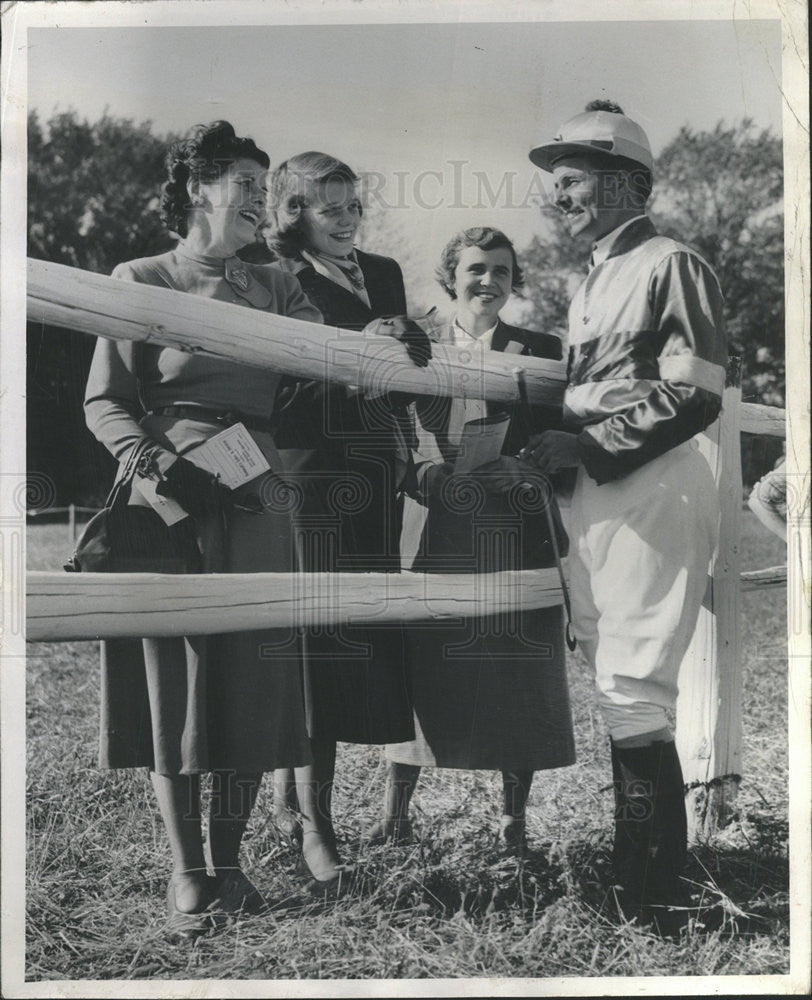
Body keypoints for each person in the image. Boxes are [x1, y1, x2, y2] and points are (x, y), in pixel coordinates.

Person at [84, 121, 324, 940]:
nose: (264, 201)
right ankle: (188, 871)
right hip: (171, 490)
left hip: (258, 487)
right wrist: (160, 468)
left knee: (256, 671)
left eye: (268, 188)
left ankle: (231, 862)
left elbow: (326, 358)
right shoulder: (140, 277)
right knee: (173, 684)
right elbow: (105, 401)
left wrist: (386, 338)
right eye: (247, 185)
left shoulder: (279, 285)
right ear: (197, 189)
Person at [523, 101, 727, 928]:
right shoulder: (594, 275)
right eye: (558, 183)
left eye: (571, 180)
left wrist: (589, 448)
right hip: (602, 490)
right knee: (617, 684)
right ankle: (639, 878)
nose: (559, 196)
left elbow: (695, 391)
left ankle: (650, 895)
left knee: (634, 687)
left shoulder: (671, 261)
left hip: (650, 485)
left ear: (624, 182)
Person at [371, 227, 576, 855]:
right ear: (450, 276)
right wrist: (420, 472)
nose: (489, 281)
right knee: (422, 658)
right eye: (476, 269)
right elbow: (384, 424)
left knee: (522, 665)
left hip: (512, 525)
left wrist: (527, 466)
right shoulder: (414, 338)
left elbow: (556, 450)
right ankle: (394, 813)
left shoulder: (540, 349)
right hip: (431, 516)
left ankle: (514, 821)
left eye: (502, 271)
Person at [263, 151, 432, 890]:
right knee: (313, 651)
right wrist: (359, 359)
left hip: (375, 480)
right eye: (327, 207)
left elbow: (404, 387)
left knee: (348, 640)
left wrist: (407, 356)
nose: (346, 219)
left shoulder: (386, 273)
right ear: (293, 213)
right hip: (309, 479)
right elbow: (275, 397)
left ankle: (286, 801)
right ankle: (315, 825)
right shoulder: (273, 278)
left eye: (352, 204)